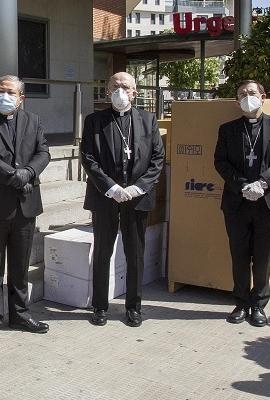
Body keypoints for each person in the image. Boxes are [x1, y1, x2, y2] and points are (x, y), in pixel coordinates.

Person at [79, 72, 164, 328]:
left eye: (125, 87)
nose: (120, 91)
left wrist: (139, 188)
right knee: (103, 251)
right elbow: (88, 158)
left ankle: (134, 307)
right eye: (114, 86)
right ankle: (100, 306)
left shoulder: (148, 120)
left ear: (134, 92)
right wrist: (111, 187)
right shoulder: (94, 121)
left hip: (137, 198)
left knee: (135, 252)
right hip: (105, 197)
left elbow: (157, 159)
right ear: (107, 91)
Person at [0, 75, 50, 344]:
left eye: (9, 92)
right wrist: (13, 176)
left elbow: (43, 153)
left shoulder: (34, 121)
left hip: (26, 206)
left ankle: (20, 313)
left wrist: (27, 172)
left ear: (21, 97)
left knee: (20, 265)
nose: (3, 95)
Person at [214, 80, 270, 327]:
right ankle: (240, 303)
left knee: (263, 258)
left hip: (268, 202)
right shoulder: (227, 129)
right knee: (239, 255)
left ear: (263, 96)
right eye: (242, 94)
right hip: (237, 203)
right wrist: (242, 185)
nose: (247, 97)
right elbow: (220, 162)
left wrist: (262, 183)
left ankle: (258, 305)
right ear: (237, 100)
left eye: (251, 93)